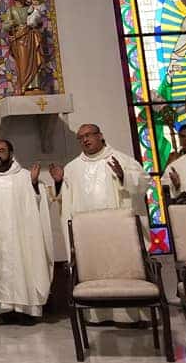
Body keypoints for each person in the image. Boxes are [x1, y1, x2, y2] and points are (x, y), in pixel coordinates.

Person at [51, 123, 150, 324]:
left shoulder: (121, 160)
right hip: (89, 235)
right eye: (80, 138)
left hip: (120, 233)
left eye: (89, 135)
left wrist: (124, 176)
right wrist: (60, 182)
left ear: (100, 136)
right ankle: (97, 316)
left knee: (123, 268)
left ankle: (130, 316)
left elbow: (143, 184)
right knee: (94, 268)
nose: (85, 140)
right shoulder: (72, 168)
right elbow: (66, 202)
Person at [0, 140, 53, 325]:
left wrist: (35, 183)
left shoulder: (24, 176)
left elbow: (38, 202)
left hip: (22, 235)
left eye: (1, 150)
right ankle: (6, 311)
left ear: (11, 154)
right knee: (1, 268)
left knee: (25, 267)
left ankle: (27, 311)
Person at [1, 0, 46, 94]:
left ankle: (35, 85)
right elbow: (5, 26)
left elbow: (39, 23)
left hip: (31, 37)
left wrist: (37, 18)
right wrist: (11, 23)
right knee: (23, 63)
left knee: (34, 61)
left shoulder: (30, 8)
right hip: (20, 40)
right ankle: (24, 85)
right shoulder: (11, 10)